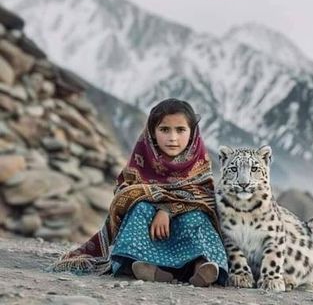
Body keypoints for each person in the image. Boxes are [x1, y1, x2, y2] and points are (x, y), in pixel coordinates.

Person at [51, 98, 228, 287]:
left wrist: (168, 210)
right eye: (164, 130)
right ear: (152, 132)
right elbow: (125, 192)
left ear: (192, 133)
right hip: (151, 237)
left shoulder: (199, 164)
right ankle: (143, 266)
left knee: (197, 216)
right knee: (139, 207)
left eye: (180, 130)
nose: (173, 138)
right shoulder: (142, 159)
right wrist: (154, 206)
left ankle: (202, 266)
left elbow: (203, 197)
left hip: (188, 238)